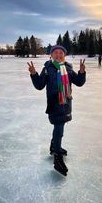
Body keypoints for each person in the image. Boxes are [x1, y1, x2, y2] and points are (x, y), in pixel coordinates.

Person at [28, 45, 86, 176]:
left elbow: (79, 82)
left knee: (61, 125)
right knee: (59, 128)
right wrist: (34, 74)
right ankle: (57, 155)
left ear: (64, 56)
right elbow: (39, 85)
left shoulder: (69, 69)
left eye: (61, 53)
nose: (58, 55)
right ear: (51, 55)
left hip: (66, 102)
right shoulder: (48, 69)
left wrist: (82, 72)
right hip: (54, 104)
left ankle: (54, 145)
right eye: (56, 53)